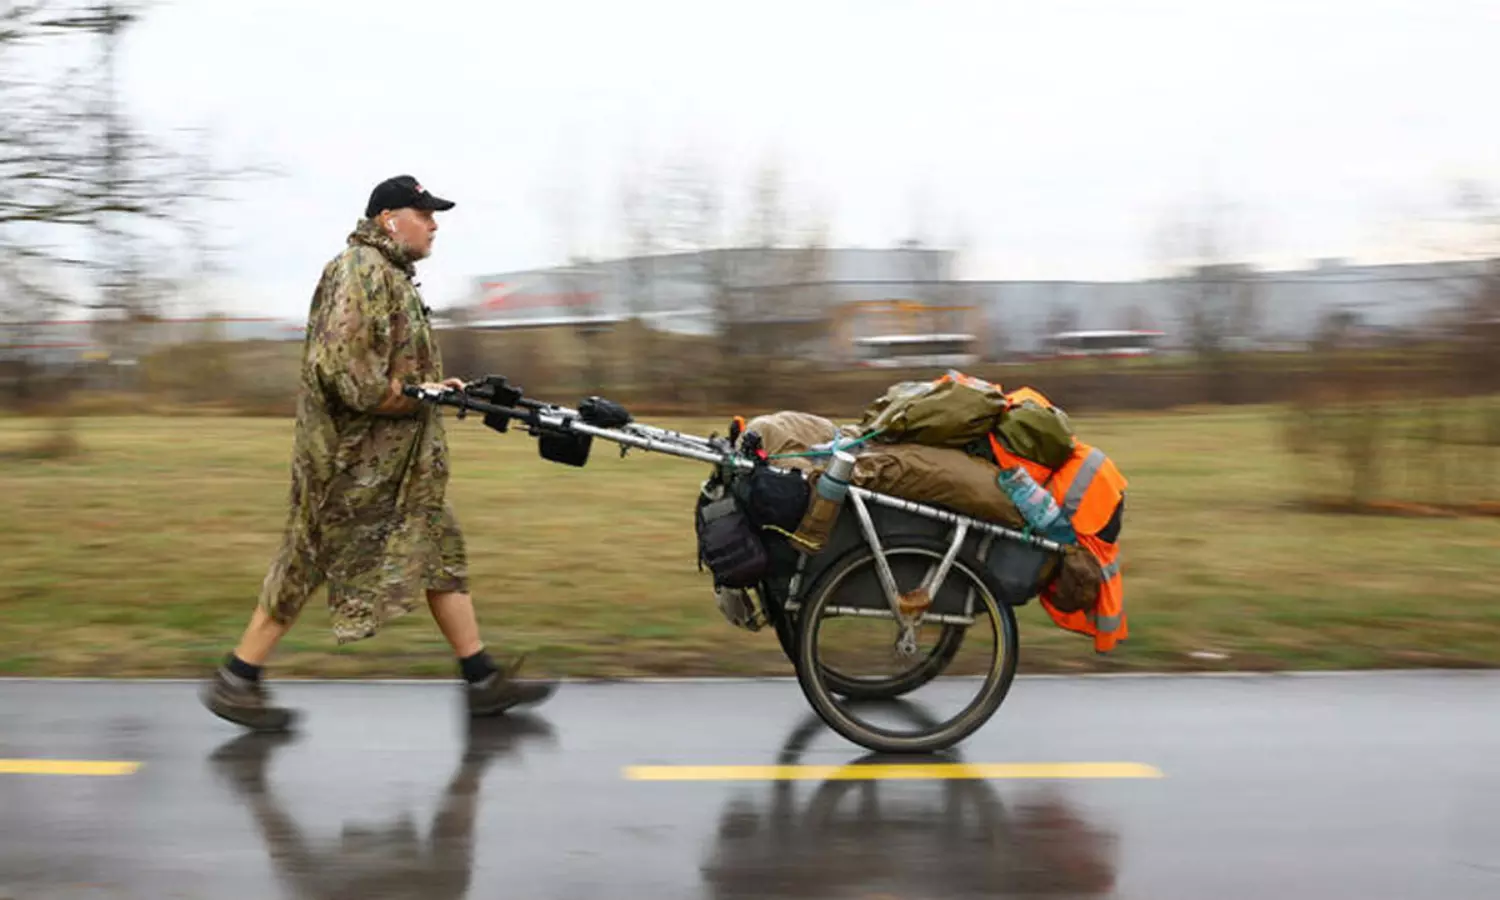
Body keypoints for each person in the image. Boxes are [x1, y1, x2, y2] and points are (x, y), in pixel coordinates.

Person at [201, 175, 556, 732]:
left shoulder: (389, 275)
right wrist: (418, 395)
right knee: (308, 556)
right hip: (350, 461)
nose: (435, 224)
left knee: (440, 547)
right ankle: (237, 678)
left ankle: (482, 679)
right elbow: (350, 378)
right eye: (425, 213)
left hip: (395, 463)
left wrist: (436, 387)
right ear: (391, 218)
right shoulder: (360, 271)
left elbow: (390, 368)